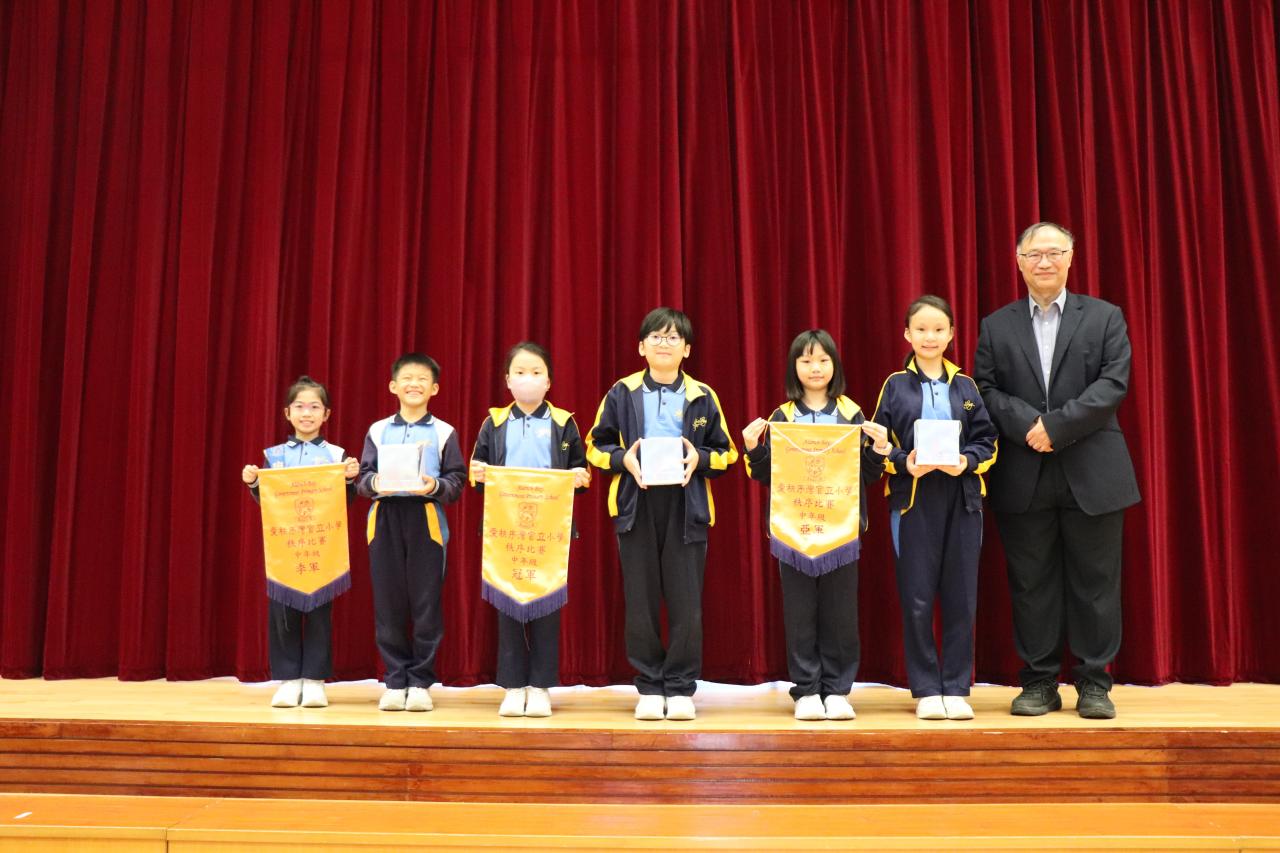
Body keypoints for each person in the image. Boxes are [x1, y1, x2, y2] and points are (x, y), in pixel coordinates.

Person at [973, 222, 1140, 719]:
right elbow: (985, 388)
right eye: (1033, 254)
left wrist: (1056, 427)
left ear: (1071, 258)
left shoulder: (1105, 317)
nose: (1044, 262)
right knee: (1031, 584)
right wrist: (1031, 425)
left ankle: (1094, 683)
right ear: (1018, 263)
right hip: (1023, 471)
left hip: (1094, 469)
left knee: (1097, 582)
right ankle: (1039, 682)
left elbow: (1113, 384)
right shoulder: (995, 325)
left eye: (1053, 252)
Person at [586, 307, 738, 721]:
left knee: (687, 602)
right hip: (636, 503)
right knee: (641, 600)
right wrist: (622, 459)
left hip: (688, 507)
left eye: (673, 337)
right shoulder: (621, 392)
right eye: (656, 336)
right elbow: (594, 446)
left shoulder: (703, 395)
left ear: (687, 349)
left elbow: (727, 453)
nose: (664, 343)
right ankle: (650, 686)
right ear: (641, 347)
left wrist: (698, 458)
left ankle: (681, 686)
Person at [742, 329, 886, 721]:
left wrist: (879, 451)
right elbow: (766, 475)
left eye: (823, 360)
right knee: (799, 613)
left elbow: (867, 476)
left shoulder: (852, 414)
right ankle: (806, 690)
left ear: (834, 365)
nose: (815, 368)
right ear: (794, 367)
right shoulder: (781, 417)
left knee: (841, 614)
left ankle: (837, 690)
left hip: (841, 531)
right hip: (794, 531)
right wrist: (754, 449)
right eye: (806, 361)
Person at [869, 298, 997, 720]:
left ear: (952, 335)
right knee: (917, 597)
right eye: (921, 329)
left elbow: (988, 440)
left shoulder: (967, 387)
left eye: (939, 329)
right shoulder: (894, 386)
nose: (930, 337)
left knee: (962, 597)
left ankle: (957, 688)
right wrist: (902, 461)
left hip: (963, 499)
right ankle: (925, 689)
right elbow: (877, 445)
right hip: (912, 500)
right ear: (907, 334)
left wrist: (967, 461)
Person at [470, 342, 590, 718]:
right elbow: (477, 468)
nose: (528, 379)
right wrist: (478, 474)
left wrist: (579, 477)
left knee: (546, 605)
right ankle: (512, 685)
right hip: (505, 528)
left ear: (548, 381)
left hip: (549, 529)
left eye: (536, 372)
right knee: (507, 605)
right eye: (520, 372)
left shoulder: (564, 422)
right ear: (507, 380)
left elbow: (580, 468)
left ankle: (540, 686)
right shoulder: (493, 423)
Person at [355, 353, 467, 712]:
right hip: (385, 517)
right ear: (393, 386)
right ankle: (394, 679)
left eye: (422, 379)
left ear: (434, 388)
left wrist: (434, 485)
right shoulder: (377, 430)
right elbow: (362, 478)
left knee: (425, 603)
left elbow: (457, 480)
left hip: (426, 516)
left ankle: (420, 681)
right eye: (406, 378)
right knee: (388, 603)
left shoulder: (444, 432)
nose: (414, 384)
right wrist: (376, 483)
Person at [242, 375, 359, 709]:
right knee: (282, 613)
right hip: (286, 549)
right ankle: (288, 678)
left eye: (315, 407)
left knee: (320, 615)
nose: (307, 413)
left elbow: (346, 501)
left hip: (323, 547)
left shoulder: (337, 455)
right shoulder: (275, 457)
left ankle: (315, 679)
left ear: (326, 414)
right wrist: (254, 484)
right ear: (287, 413)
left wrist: (349, 480)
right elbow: (268, 502)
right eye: (299, 406)